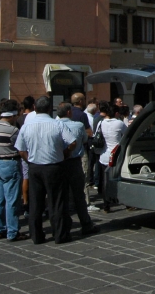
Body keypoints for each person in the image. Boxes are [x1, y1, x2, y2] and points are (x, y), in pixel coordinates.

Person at [15, 97, 77, 244]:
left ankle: (36, 235)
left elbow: (21, 149)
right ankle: (60, 234)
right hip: (54, 165)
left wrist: (29, 160)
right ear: (50, 108)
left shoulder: (27, 126)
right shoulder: (57, 124)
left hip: (35, 165)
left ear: (35, 107)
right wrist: (65, 153)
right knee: (57, 202)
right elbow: (72, 141)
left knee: (35, 203)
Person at [56, 102, 100, 237]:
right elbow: (85, 139)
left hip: (58, 162)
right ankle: (85, 223)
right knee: (79, 195)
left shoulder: (54, 124)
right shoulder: (78, 125)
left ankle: (63, 225)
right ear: (69, 112)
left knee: (61, 195)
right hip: (75, 162)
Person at [0, 99, 29, 242]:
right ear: (12, 115)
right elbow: (20, 148)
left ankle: (0, 229)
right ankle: (13, 231)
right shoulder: (13, 130)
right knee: (12, 200)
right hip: (10, 162)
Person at [97, 104, 127, 213]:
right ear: (116, 113)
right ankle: (126, 202)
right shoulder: (119, 123)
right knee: (120, 179)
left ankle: (106, 205)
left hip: (104, 154)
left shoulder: (101, 123)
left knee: (106, 182)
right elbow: (126, 134)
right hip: (117, 154)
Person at [70, 93, 94, 208]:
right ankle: (85, 201)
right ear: (80, 101)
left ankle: (71, 200)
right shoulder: (82, 115)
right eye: (84, 99)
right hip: (80, 149)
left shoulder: (66, 113)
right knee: (83, 176)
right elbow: (89, 133)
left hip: (68, 150)